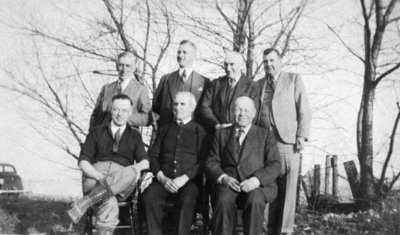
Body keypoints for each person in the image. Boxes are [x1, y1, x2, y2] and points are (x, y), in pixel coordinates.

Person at [68, 94, 150, 235]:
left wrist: (137, 168)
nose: (120, 114)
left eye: (124, 110)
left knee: (131, 171)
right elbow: (83, 161)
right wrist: (99, 176)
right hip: (95, 178)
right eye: (116, 109)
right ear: (111, 110)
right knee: (109, 201)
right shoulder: (96, 132)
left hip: (122, 182)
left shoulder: (134, 135)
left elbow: (145, 161)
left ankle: (86, 201)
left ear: (130, 113)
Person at [205, 96, 281, 235]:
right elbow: (211, 162)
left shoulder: (265, 135)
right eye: (238, 109)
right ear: (233, 112)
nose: (242, 114)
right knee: (223, 199)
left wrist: (255, 180)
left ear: (253, 113)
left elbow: (275, 164)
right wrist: (224, 178)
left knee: (255, 199)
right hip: (228, 184)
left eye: (246, 110)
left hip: (257, 186)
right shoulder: (222, 133)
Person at [255, 48, 311, 235]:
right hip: (265, 144)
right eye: (265, 62)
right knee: (269, 186)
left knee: (287, 188)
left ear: (279, 61)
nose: (268, 64)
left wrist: (301, 135)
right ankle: (270, 230)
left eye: (272, 60)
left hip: (287, 143)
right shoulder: (258, 84)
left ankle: (285, 231)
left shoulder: (293, 79)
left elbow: (304, 108)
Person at [142, 92, 208, 235]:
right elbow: (152, 156)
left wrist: (183, 179)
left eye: (182, 104)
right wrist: (162, 178)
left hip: (189, 183)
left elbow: (203, 161)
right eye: (176, 104)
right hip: (163, 182)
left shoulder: (199, 131)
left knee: (187, 199)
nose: (178, 107)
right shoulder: (165, 129)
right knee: (148, 197)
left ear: (192, 107)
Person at [152, 40, 209, 127]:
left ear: (194, 56)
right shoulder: (166, 79)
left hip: (193, 133)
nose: (180, 55)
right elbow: (156, 106)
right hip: (167, 130)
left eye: (184, 52)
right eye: (179, 52)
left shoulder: (204, 82)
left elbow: (205, 109)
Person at [200, 51, 257, 133]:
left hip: (239, 134)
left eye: (232, 64)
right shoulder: (216, 83)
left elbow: (253, 112)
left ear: (241, 66)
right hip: (216, 132)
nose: (228, 68)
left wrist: (233, 126)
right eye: (226, 64)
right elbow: (205, 106)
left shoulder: (252, 86)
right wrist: (217, 125)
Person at [90, 51, 151, 128]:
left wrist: (124, 118)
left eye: (128, 66)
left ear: (134, 68)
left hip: (128, 137)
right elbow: (95, 116)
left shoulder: (140, 89)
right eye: (121, 65)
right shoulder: (106, 89)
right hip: (104, 137)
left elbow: (148, 117)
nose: (124, 69)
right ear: (116, 66)